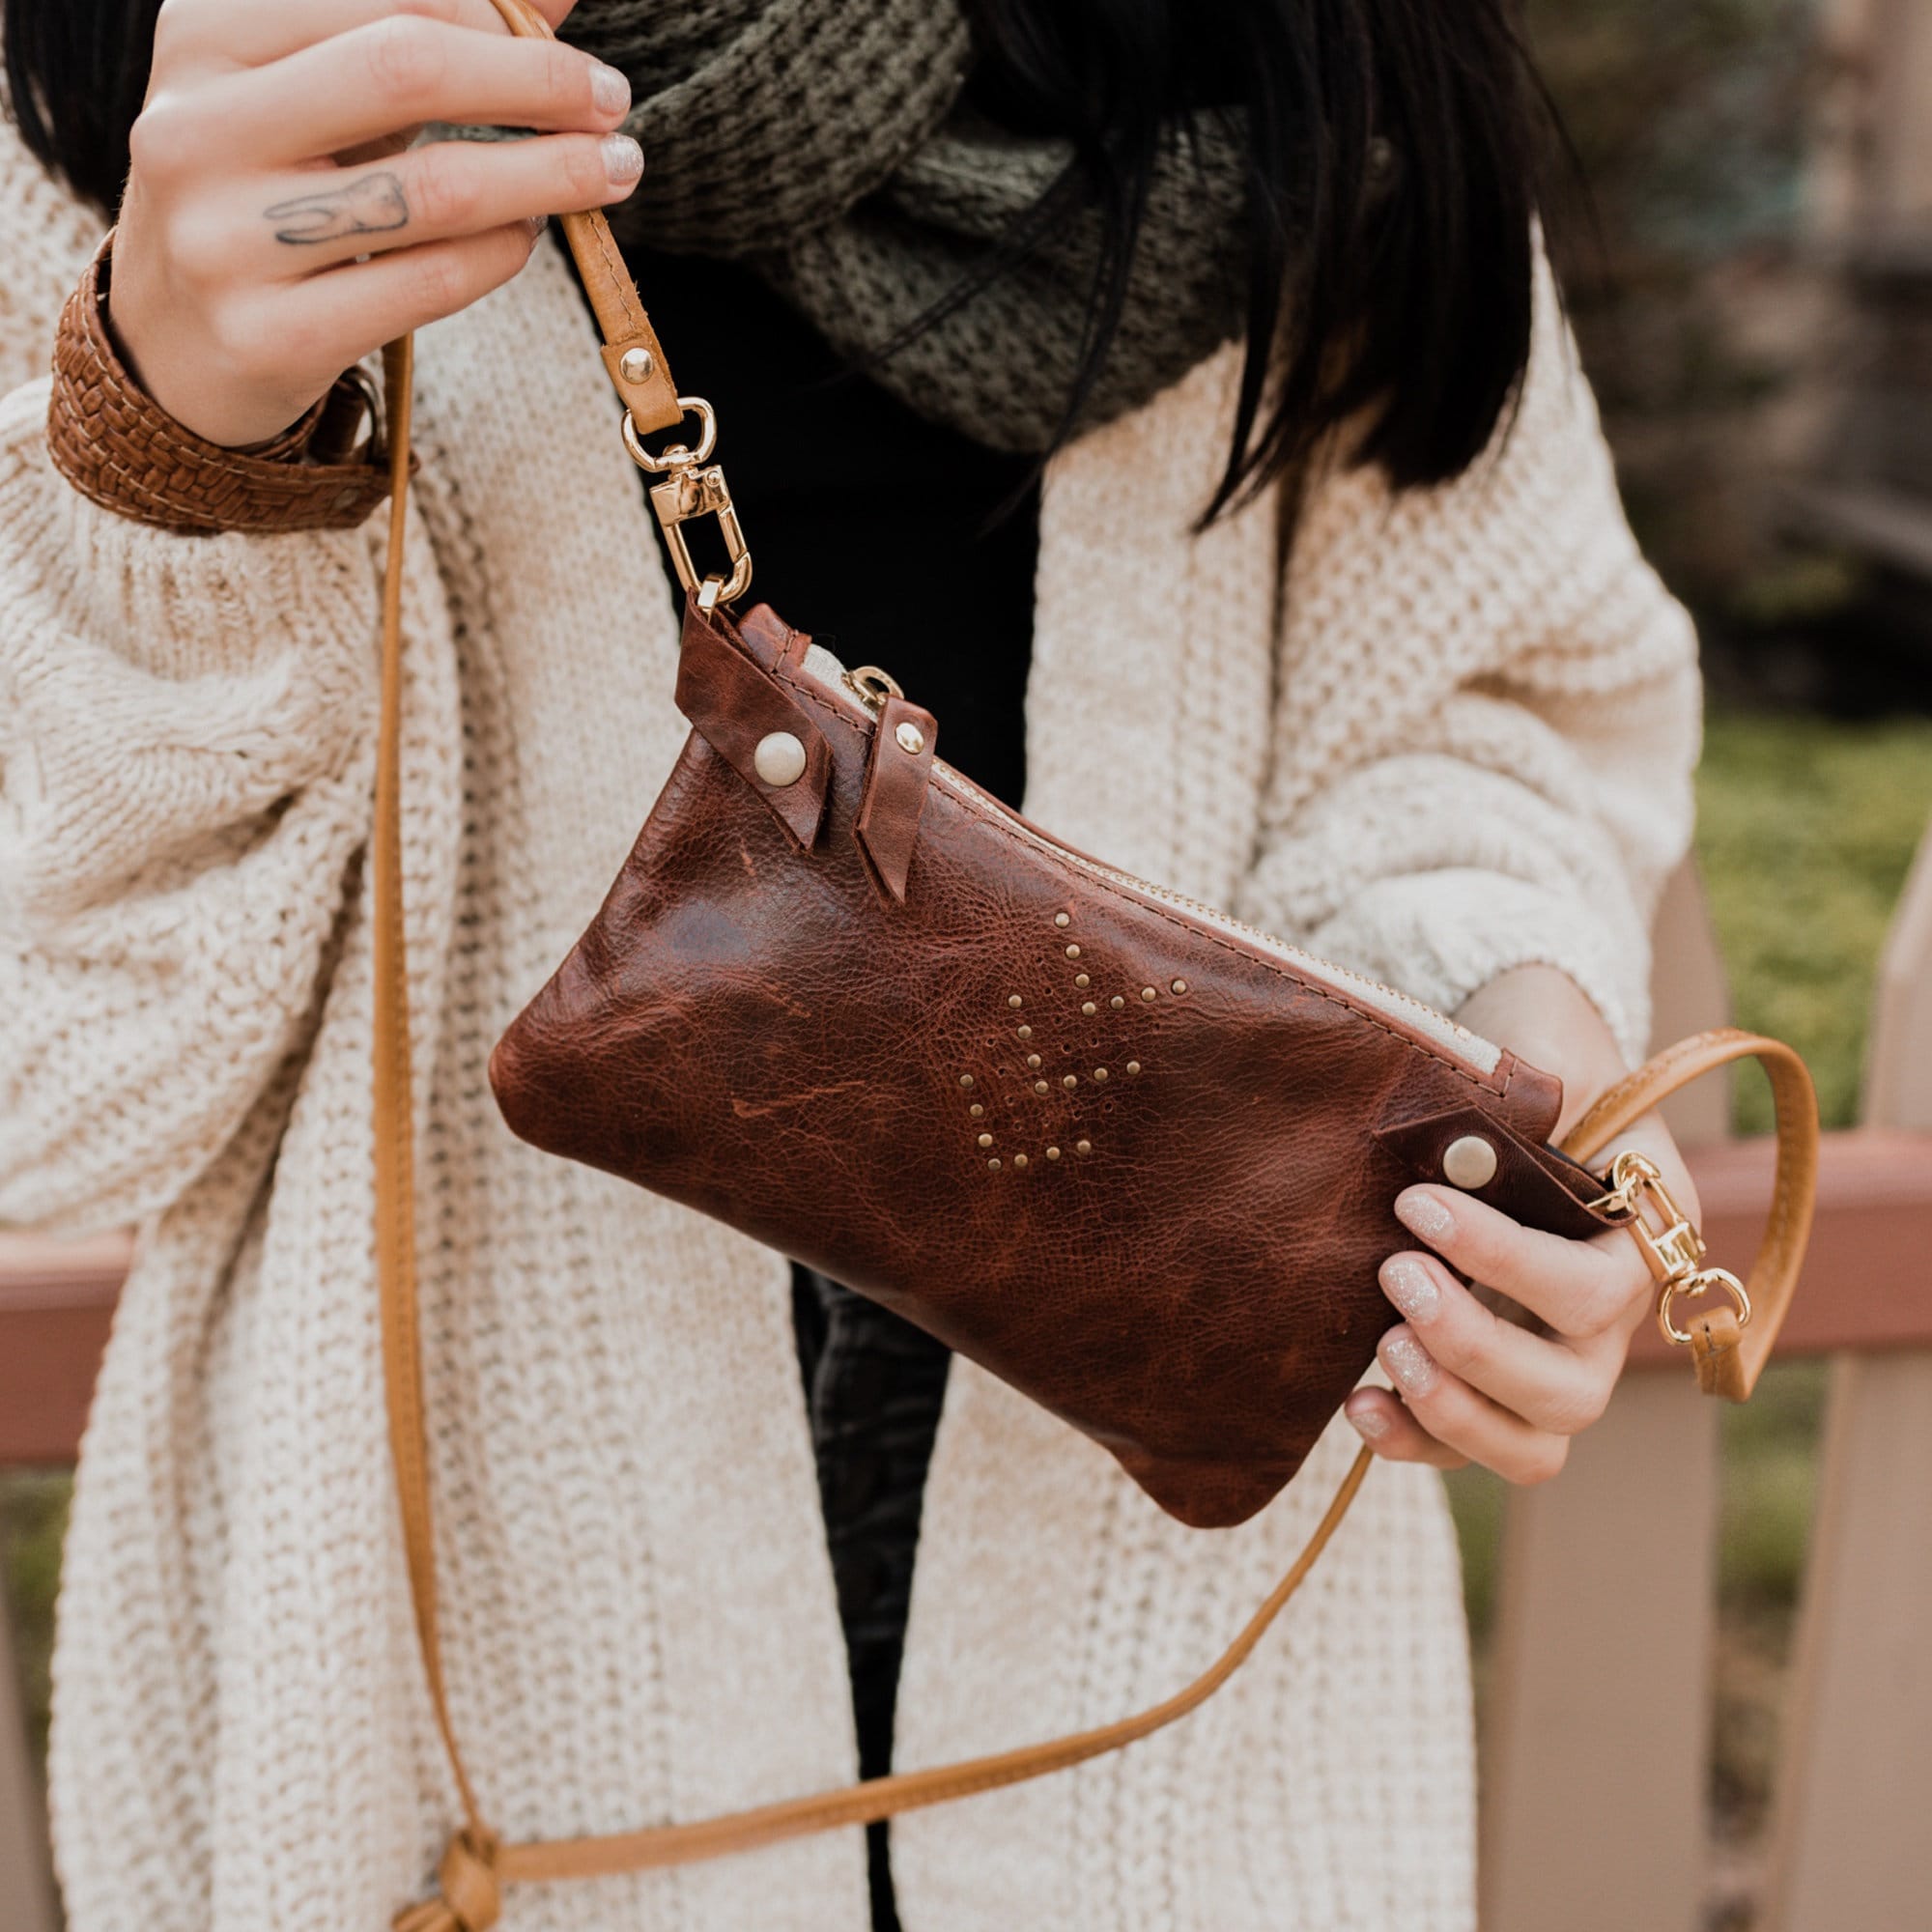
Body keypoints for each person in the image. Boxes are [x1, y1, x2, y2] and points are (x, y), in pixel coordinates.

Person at [0, 2, 1703, 1927]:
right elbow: (58, 1089)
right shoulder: (191, 62)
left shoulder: (1313, 54)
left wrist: (1493, 1074)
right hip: (453, 1755)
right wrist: (170, 451)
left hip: (1185, 1764)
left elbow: (1481, 703)